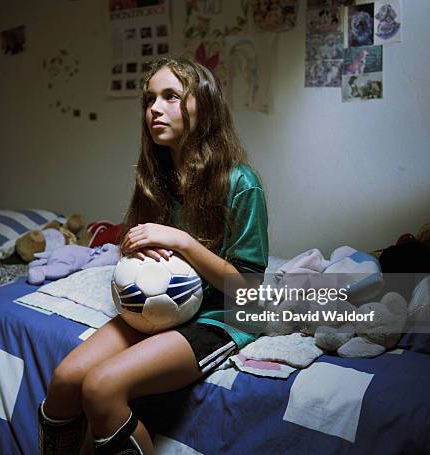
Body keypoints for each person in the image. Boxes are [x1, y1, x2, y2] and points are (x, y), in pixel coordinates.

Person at [38, 56, 269, 455]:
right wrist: (132, 246)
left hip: (220, 316)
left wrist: (182, 241)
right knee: (65, 380)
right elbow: (139, 247)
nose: (155, 109)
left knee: (101, 387)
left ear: (203, 105)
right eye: (149, 100)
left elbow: (248, 289)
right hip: (161, 307)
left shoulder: (240, 182)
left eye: (171, 97)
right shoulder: (154, 177)